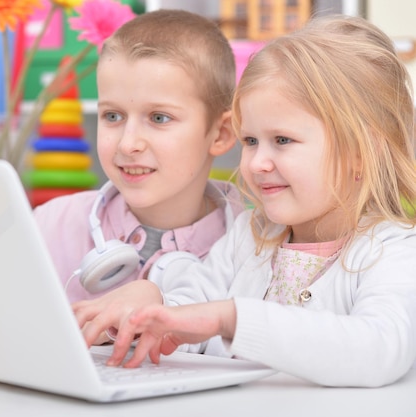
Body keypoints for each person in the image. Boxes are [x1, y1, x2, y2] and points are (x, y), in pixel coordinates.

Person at [72, 14, 416, 388]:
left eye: (282, 140)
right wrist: (152, 302)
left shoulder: (393, 251)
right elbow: (192, 309)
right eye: (251, 141)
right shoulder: (250, 236)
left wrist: (233, 319)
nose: (256, 162)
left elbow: (380, 349)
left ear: (360, 153)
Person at [34, 9, 243, 306]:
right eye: (113, 115)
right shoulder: (50, 226)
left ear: (220, 134)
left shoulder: (256, 253)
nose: (128, 143)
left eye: (159, 117)